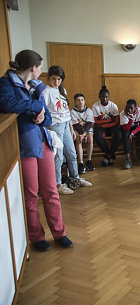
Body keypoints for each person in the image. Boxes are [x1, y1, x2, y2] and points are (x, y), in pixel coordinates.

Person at [0, 49, 72, 251]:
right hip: (24, 145)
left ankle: (60, 232)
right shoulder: (6, 83)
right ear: (33, 68)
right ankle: (36, 236)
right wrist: (33, 106)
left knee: (51, 191)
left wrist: (42, 116)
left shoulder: (36, 86)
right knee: (31, 194)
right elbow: (6, 102)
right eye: (40, 67)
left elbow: (47, 116)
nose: (41, 72)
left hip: (43, 141)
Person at [43, 65, 92, 194]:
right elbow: (44, 110)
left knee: (72, 153)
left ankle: (75, 178)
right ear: (49, 78)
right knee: (58, 156)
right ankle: (58, 184)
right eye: (54, 79)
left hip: (65, 124)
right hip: (54, 125)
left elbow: (65, 111)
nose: (56, 82)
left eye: (59, 79)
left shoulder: (62, 90)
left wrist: (70, 128)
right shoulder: (45, 91)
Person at [92, 86, 122, 167]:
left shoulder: (113, 106)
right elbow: (96, 121)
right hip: (100, 128)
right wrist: (108, 121)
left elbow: (116, 122)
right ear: (99, 97)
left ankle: (107, 156)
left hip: (111, 126)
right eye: (102, 96)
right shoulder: (95, 106)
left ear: (109, 97)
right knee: (97, 136)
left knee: (118, 135)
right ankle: (110, 155)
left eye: (106, 97)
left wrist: (103, 124)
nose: (104, 98)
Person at [120, 99, 140, 169]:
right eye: (128, 107)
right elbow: (126, 128)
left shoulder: (139, 111)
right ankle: (128, 159)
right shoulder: (123, 113)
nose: (129, 109)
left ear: (135, 108)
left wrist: (133, 133)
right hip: (127, 127)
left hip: (136, 127)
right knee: (125, 135)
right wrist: (131, 119)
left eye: (131, 108)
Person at [70, 93, 95, 174]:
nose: (80, 102)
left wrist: (85, 134)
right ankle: (80, 163)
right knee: (78, 140)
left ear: (84, 101)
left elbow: (89, 124)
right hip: (78, 130)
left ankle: (88, 161)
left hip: (87, 130)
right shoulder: (73, 111)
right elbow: (75, 125)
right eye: (78, 100)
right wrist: (82, 135)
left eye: (82, 100)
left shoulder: (89, 110)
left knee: (90, 139)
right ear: (75, 102)